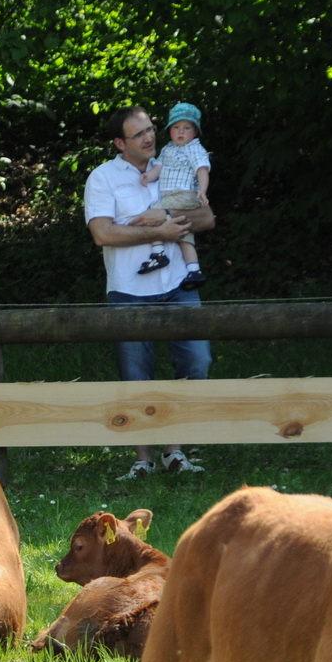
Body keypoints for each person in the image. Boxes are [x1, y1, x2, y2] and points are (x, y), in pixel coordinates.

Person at [85, 105, 217, 480]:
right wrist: (160, 231)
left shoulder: (176, 163)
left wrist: (162, 218)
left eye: (150, 130)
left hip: (179, 286)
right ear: (119, 143)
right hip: (128, 291)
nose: (149, 138)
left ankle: (174, 452)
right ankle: (142, 457)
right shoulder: (103, 178)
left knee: (196, 364)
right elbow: (103, 233)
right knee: (135, 376)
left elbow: (207, 218)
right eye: (139, 134)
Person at [138, 102, 210, 288]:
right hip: (172, 195)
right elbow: (158, 170)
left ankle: (158, 253)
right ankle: (194, 270)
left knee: (154, 213)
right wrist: (148, 176)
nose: (180, 132)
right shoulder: (167, 150)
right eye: (176, 127)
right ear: (169, 130)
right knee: (184, 234)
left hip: (183, 193)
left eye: (187, 128)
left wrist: (202, 189)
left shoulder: (194, 148)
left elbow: (202, 169)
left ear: (195, 132)